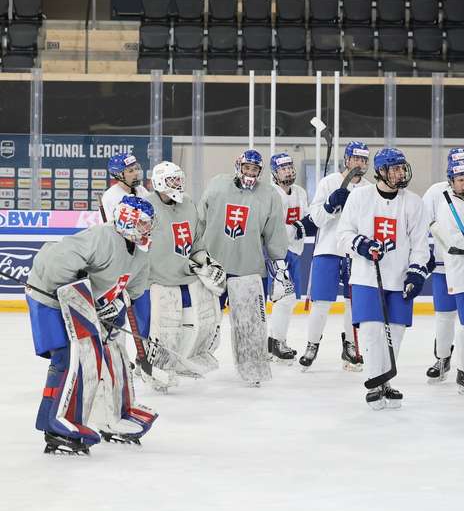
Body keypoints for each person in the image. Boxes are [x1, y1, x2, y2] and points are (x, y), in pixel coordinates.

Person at [27, 195, 156, 454]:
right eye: (143, 223)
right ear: (128, 221)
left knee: (112, 354)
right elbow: (54, 265)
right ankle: (57, 425)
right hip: (48, 296)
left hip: (85, 306)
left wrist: (131, 326)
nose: (148, 229)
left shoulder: (140, 253)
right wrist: (78, 292)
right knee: (70, 357)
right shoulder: (101, 237)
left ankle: (114, 416)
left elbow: (135, 293)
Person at [337, 147, 429, 409]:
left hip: (400, 278)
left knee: (395, 333)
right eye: (395, 169)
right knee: (370, 332)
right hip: (367, 277)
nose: (401, 173)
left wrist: (417, 270)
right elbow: (342, 234)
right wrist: (361, 244)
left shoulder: (413, 202)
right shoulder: (359, 198)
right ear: (380, 171)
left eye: (402, 168)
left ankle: (385, 380)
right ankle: (373, 382)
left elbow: (421, 244)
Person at [198, 149, 291, 386]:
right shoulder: (217, 184)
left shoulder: (269, 194)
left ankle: (253, 366)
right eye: (247, 168)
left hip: (249, 269)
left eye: (255, 169)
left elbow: (275, 233)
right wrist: (195, 254)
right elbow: (200, 220)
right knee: (204, 320)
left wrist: (279, 267)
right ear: (238, 166)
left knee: (251, 325)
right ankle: (192, 359)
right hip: (213, 266)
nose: (250, 173)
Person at [144, 161, 226, 392]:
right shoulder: (147, 207)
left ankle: (179, 364)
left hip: (187, 279)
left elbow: (196, 243)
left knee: (197, 326)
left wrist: (206, 262)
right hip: (158, 282)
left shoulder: (188, 204)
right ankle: (158, 371)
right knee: (163, 331)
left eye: (178, 179)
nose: (177, 184)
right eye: (171, 180)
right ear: (159, 182)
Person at [420, 147, 464, 383]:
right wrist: (429, 254)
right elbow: (426, 223)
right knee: (444, 316)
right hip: (446, 264)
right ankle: (442, 358)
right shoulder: (435, 192)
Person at [301, 141, 371, 371]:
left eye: (364, 159)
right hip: (327, 250)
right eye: (356, 159)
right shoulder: (328, 182)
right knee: (320, 303)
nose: (360, 163)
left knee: (353, 302)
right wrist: (330, 206)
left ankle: (350, 346)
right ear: (347, 160)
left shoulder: (369, 189)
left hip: (353, 252)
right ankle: (312, 345)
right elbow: (317, 219)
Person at [267, 152, 318, 364]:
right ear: (274, 173)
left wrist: (308, 224)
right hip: (276, 251)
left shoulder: (299, 191)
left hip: (295, 252)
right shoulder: (270, 193)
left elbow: (306, 219)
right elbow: (271, 225)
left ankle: (277, 340)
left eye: (289, 167)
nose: (287, 171)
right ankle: (275, 342)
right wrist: (296, 228)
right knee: (283, 298)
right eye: (282, 168)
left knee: (289, 301)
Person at [101, 152, 150, 222]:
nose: (136, 173)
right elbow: (108, 228)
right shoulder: (110, 197)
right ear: (119, 175)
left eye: (136, 169)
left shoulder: (141, 189)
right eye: (131, 171)